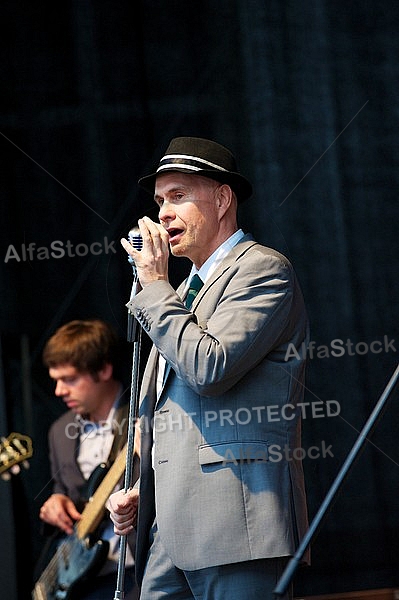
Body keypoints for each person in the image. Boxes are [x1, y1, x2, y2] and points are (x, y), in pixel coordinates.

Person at [107, 136, 310, 600]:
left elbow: (209, 368)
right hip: (169, 539)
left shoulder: (261, 269)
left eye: (178, 196)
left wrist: (154, 285)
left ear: (222, 199)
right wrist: (148, 488)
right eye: (159, 201)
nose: (162, 214)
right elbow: (166, 416)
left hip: (237, 531)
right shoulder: (176, 297)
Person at [36, 319, 140, 600]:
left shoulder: (145, 413)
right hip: (83, 580)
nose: (58, 391)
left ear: (103, 370)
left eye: (69, 379)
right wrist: (55, 506)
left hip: (139, 573)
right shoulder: (60, 431)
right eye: (55, 380)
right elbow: (64, 492)